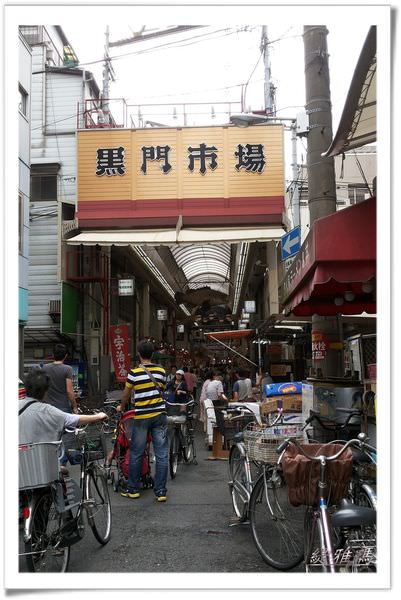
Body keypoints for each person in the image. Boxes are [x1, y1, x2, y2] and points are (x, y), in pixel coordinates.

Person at [117, 340, 168, 502]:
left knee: (137, 453)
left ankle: (133, 489)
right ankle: (160, 492)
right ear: (152, 354)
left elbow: (126, 393)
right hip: (159, 415)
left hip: (141, 417)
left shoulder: (134, 372)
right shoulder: (161, 371)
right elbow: (163, 389)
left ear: (139, 354)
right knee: (161, 454)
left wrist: (122, 405)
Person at [19, 369, 107, 448]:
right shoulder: (47, 411)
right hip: (42, 460)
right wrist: (98, 416)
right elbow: (72, 419)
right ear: (46, 391)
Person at [43, 343, 77, 414]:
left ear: (53, 355)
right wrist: (74, 406)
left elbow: (43, 388)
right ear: (65, 356)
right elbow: (69, 391)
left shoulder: (45, 368)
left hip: (48, 407)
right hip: (63, 408)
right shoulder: (68, 369)